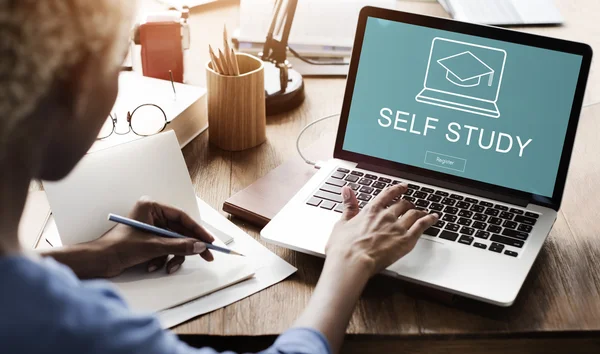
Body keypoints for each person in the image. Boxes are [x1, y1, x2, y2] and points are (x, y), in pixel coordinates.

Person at [0, 1, 438, 353]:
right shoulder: (77, 328)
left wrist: (96, 256)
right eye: (118, 65)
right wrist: (348, 262)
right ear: (72, 87)